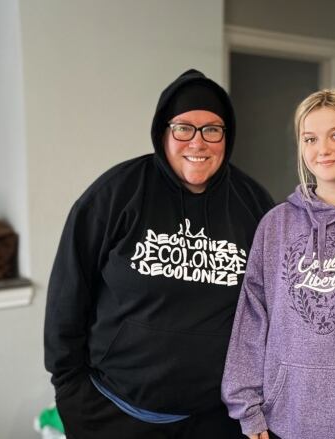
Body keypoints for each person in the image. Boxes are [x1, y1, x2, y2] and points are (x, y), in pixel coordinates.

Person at [44, 69, 275, 438]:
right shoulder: (115, 195)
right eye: (184, 128)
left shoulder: (255, 205)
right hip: (114, 414)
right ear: (163, 132)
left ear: (226, 137)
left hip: (217, 422)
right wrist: (70, 391)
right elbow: (67, 298)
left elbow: (271, 313)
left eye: (212, 129)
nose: (198, 143)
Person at [221, 89, 335, 439]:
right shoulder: (276, 225)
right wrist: (248, 410)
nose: (324, 149)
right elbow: (253, 317)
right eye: (310, 138)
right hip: (284, 421)